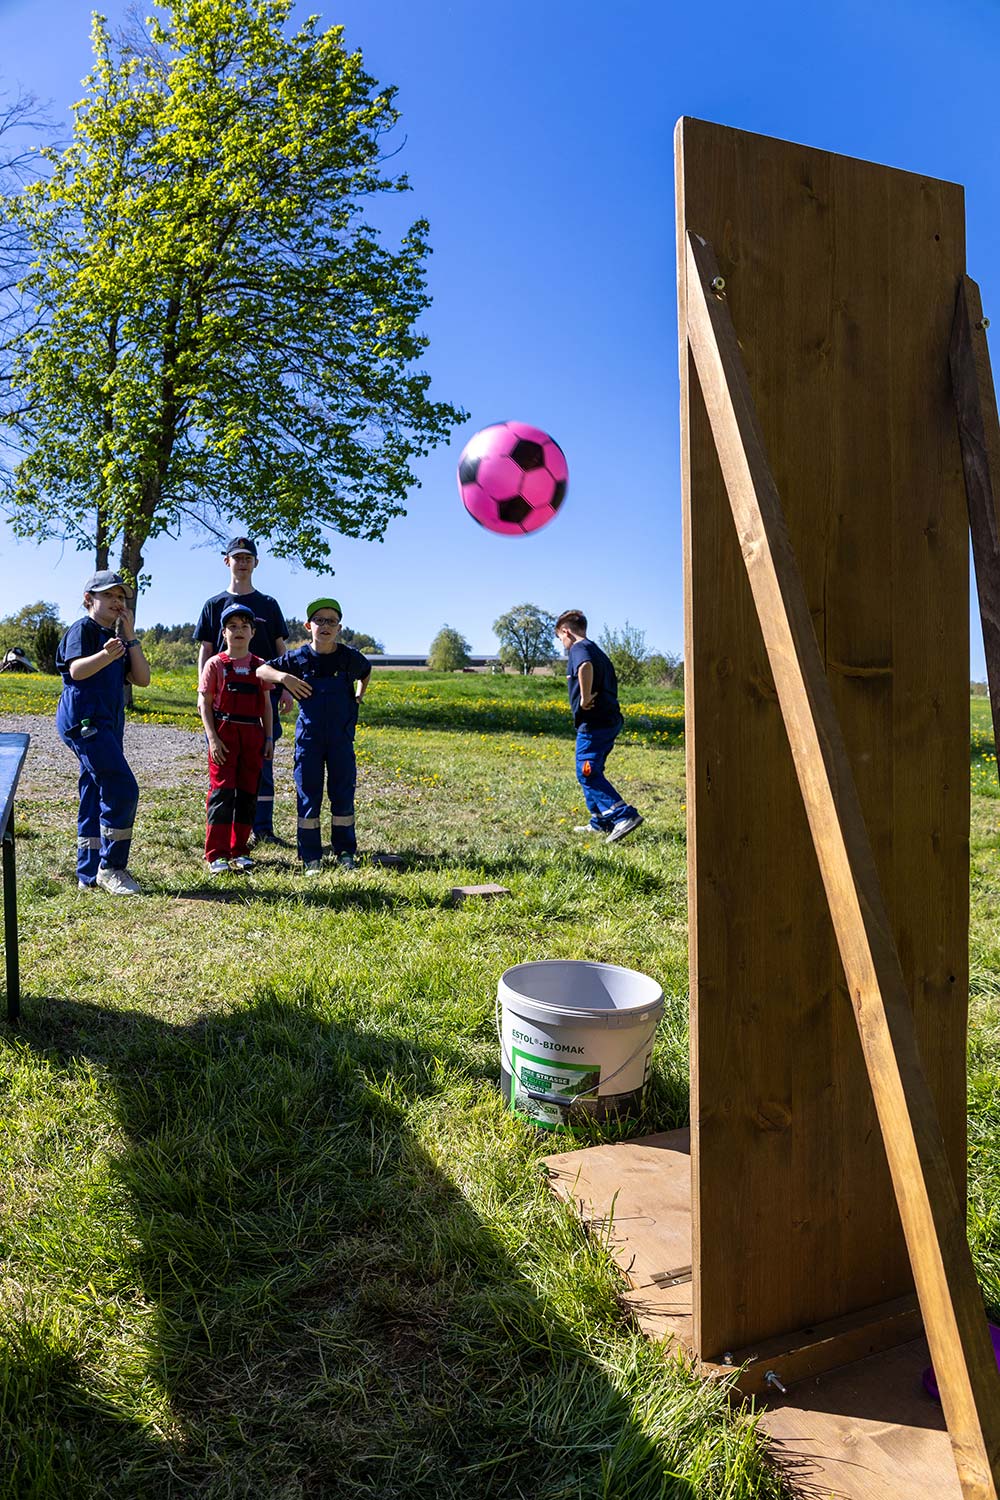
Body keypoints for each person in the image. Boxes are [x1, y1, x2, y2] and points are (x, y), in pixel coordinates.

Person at [257, 597, 370, 874]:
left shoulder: (348, 657)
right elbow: (262, 670)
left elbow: (365, 672)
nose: (325, 626)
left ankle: (345, 852)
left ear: (339, 627)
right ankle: (311, 857)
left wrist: (358, 695)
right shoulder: (298, 658)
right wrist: (285, 678)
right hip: (309, 740)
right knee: (309, 795)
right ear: (309, 626)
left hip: (341, 739)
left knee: (342, 794)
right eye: (319, 620)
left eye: (331, 621)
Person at [55, 571, 151, 895]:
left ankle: (88, 870)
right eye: (109, 595)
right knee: (121, 786)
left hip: (107, 721)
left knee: (94, 789)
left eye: (121, 597)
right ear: (88, 600)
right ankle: (112, 868)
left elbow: (142, 678)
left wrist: (131, 636)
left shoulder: (119, 641)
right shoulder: (83, 629)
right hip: (84, 720)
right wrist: (105, 654)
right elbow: (76, 671)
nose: (117, 601)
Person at [196, 536, 291, 843]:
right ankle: (227, 834)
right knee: (226, 766)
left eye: (248, 557)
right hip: (225, 703)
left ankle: (261, 829)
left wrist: (286, 687)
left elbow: (281, 648)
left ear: (256, 563)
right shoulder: (213, 605)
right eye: (237, 557)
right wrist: (203, 692)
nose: (242, 562)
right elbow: (206, 649)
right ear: (227, 562)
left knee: (262, 762)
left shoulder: (268, 605)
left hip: (262, 697)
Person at [198, 601, 274, 875]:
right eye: (232, 627)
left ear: (253, 632)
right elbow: (204, 704)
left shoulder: (261, 666)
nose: (238, 631)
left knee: (247, 793)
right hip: (224, 733)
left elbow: (266, 704)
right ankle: (216, 854)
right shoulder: (215, 664)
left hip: (253, 734)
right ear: (223, 633)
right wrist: (213, 739)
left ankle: (239, 849)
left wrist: (269, 738)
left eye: (244, 626)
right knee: (222, 792)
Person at [554, 609, 643, 844]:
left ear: (566, 631)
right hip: (609, 720)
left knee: (588, 772)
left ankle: (623, 816)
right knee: (591, 770)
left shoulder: (579, 648)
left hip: (594, 723)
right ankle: (600, 821)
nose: (562, 644)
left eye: (560, 638)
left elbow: (584, 666)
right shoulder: (597, 649)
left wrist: (584, 698)